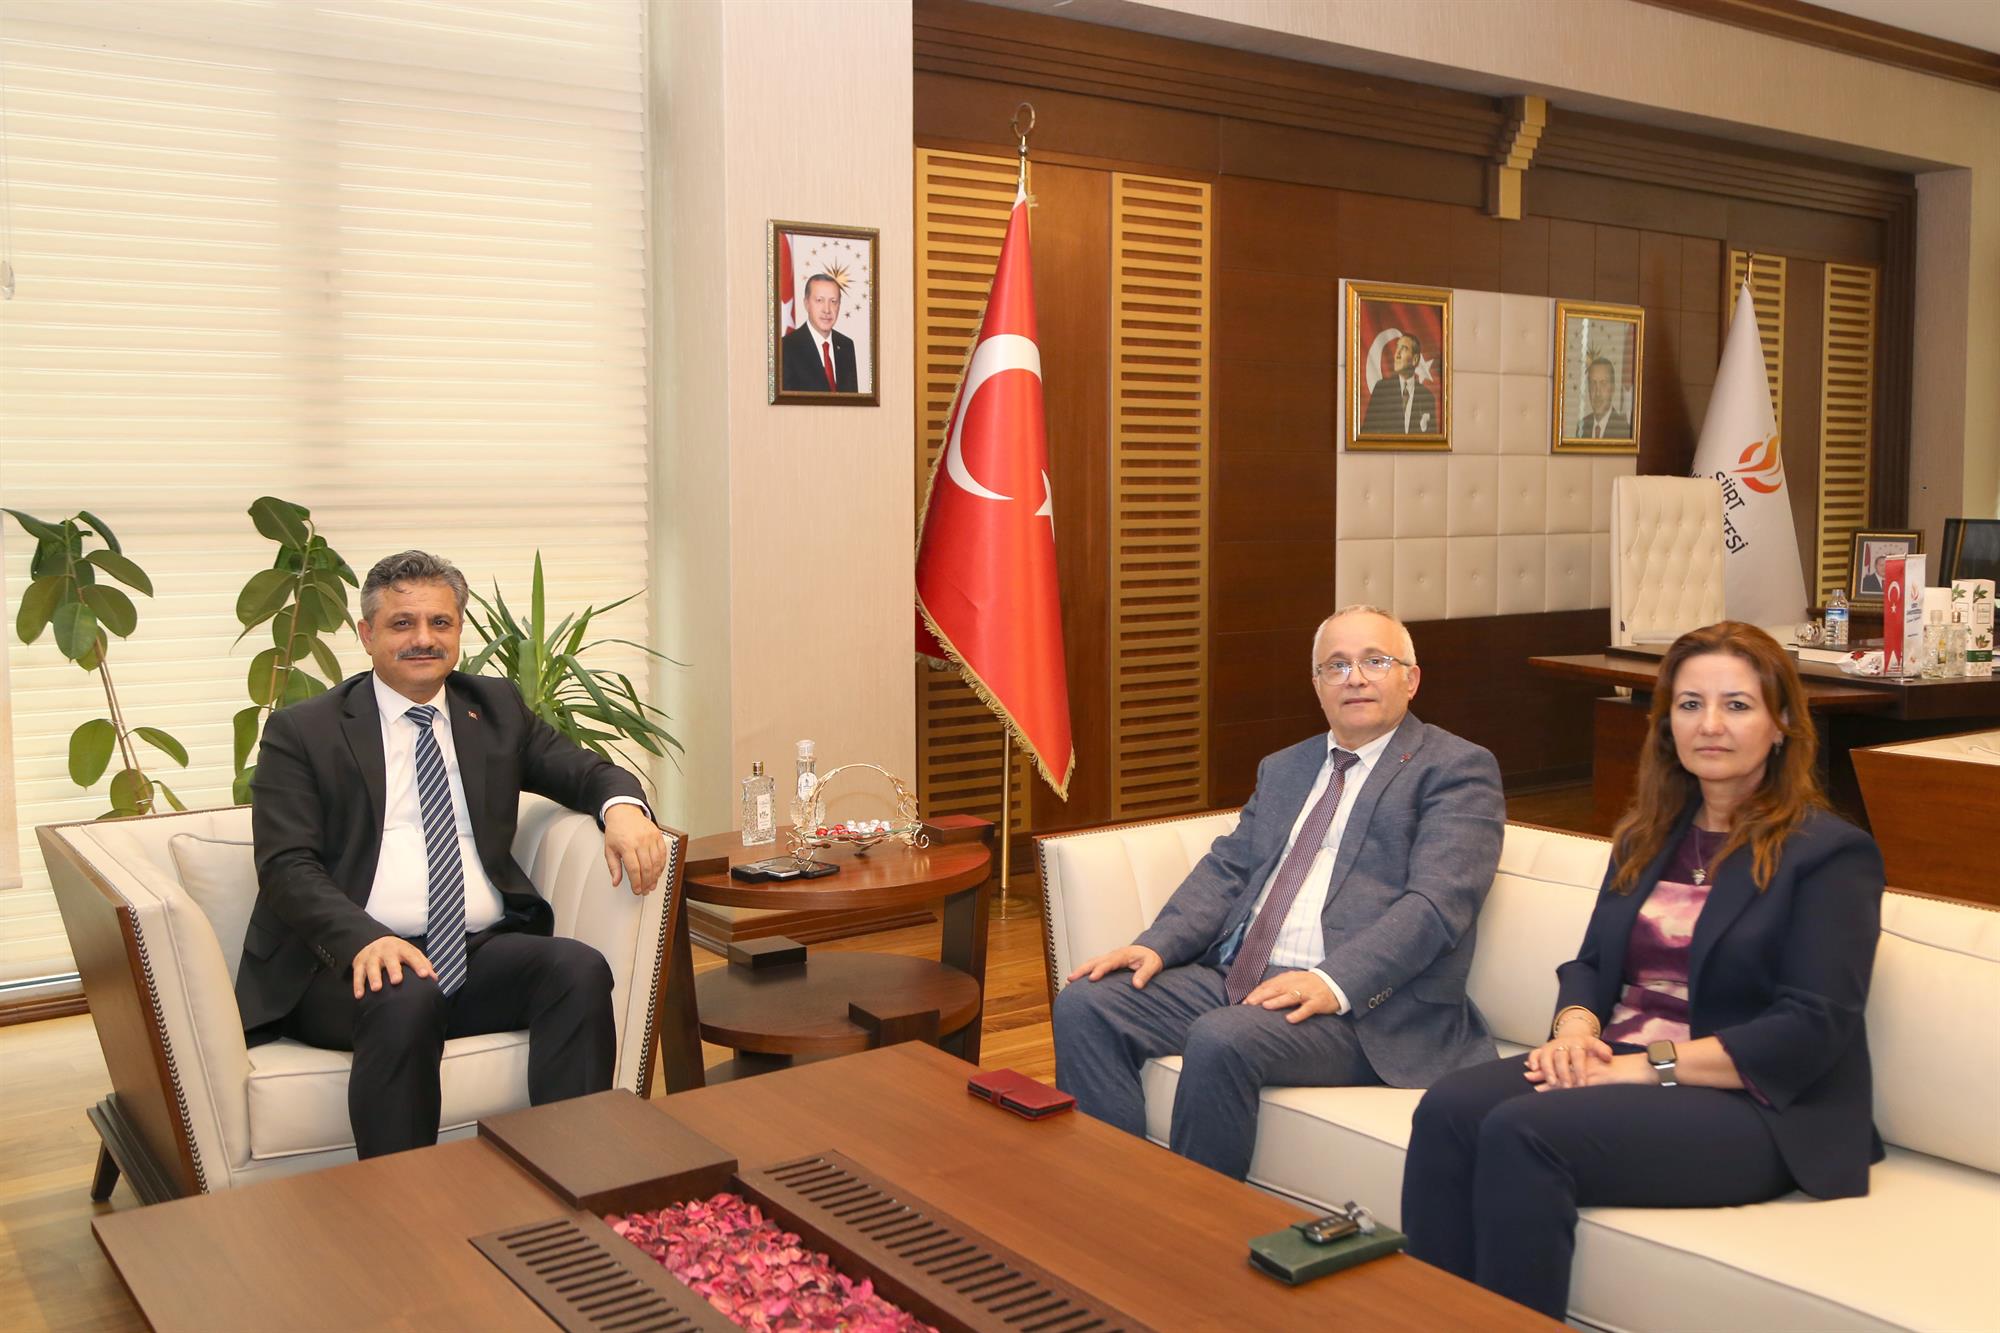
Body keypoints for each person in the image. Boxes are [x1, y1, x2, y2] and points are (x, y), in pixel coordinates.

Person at [1401, 621, 1884, 1320]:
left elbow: (1812, 1028)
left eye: (1737, 704)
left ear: (1782, 724)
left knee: (1523, 1131)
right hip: (1623, 1059)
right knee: (1448, 1108)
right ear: (1666, 725)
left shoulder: (1831, 855)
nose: (1709, 724)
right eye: (1689, 704)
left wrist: (1644, 1067)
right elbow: (1594, 962)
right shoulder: (1650, 834)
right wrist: (1574, 1031)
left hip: (1759, 1104)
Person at [239, 550, 670, 1158]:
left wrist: (622, 808)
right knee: (405, 994)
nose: (423, 638)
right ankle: (403, 1196)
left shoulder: (492, 709)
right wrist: (364, 938)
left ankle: (575, 1172)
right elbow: (286, 866)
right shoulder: (305, 730)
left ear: (458, 630)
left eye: (439, 622)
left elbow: (586, 771)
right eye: (402, 623)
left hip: (474, 951)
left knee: (576, 969)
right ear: (366, 635)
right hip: (345, 965)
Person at [1052, 605, 1504, 1180]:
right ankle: (1108, 1197)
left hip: (1364, 1009)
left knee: (1223, 1036)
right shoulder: (1287, 767)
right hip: (1242, 977)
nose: (1355, 678)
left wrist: (1331, 981)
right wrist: (1156, 945)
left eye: (1375, 662)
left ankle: (1193, 1223)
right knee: (1088, 1003)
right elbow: (1230, 869)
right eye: (1336, 665)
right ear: (1316, 685)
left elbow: (1437, 906)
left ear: (1411, 679)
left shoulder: (1457, 768)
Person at [780, 273, 859, 392]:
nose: (827, 310)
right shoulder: (786, 347)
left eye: (833, 301)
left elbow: (852, 400)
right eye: (819, 300)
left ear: (839, 305)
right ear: (806, 304)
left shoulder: (846, 345)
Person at [1360, 333, 1438, 435]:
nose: (1397, 354)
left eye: (1404, 349)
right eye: (1397, 348)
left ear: (1415, 360)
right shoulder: (1381, 389)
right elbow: (1367, 433)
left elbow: (1431, 439)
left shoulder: (1427, 397)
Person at [1575, 356, 1631, 440]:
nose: (1597, 393)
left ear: (1612, 389)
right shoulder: (1582, 427)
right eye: (1593, 383)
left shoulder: (1624, 430)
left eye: (1603, 383)